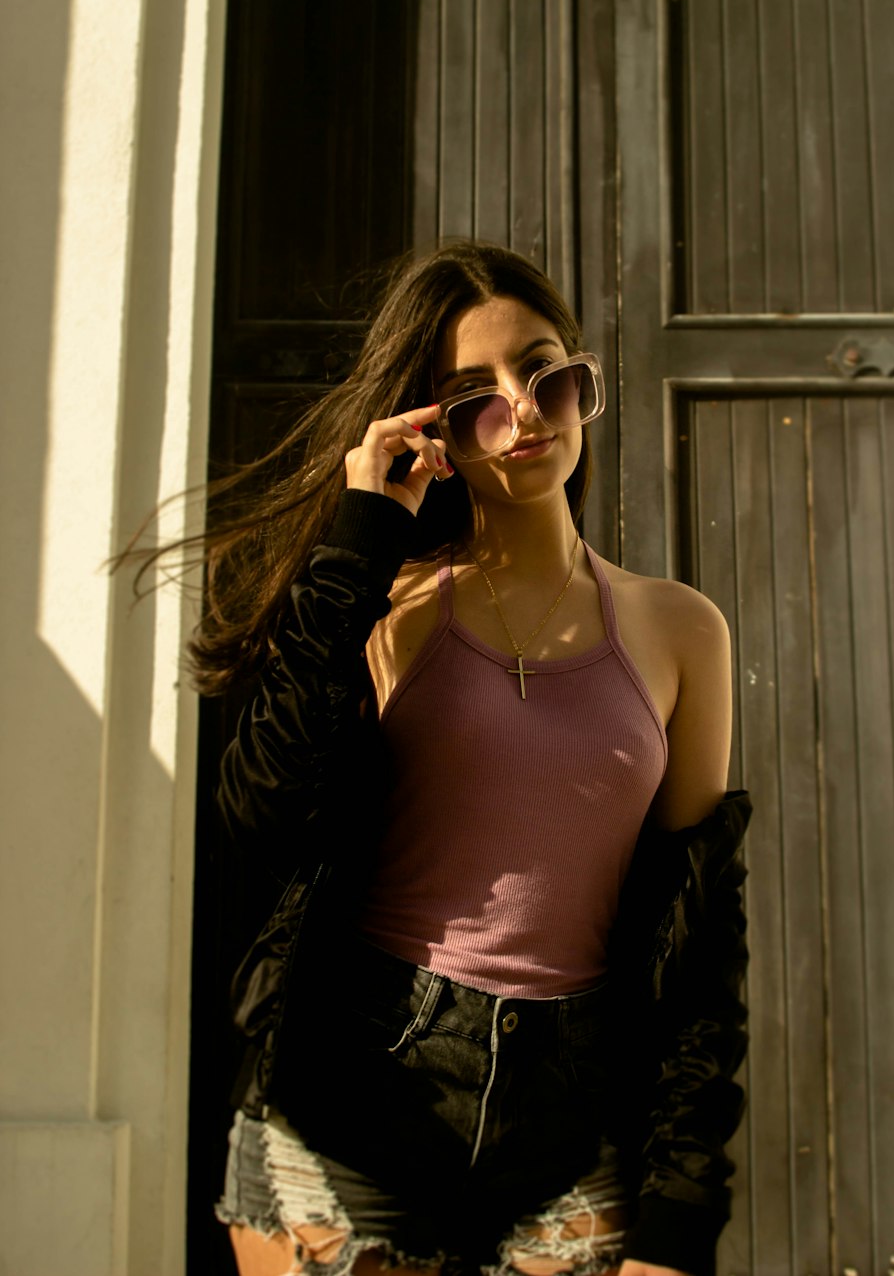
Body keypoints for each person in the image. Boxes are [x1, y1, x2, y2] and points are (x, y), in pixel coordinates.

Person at [136, 242, 750, 1276]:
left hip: (573, 1108)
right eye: (473, 396)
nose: (524, 410)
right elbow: (261, 814)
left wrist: (684, 1202)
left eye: (544, 371)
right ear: (430, 428)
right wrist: (360, 539)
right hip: (354, 1086)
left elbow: (701, 936)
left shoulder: (681, 630)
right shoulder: (389, 609)